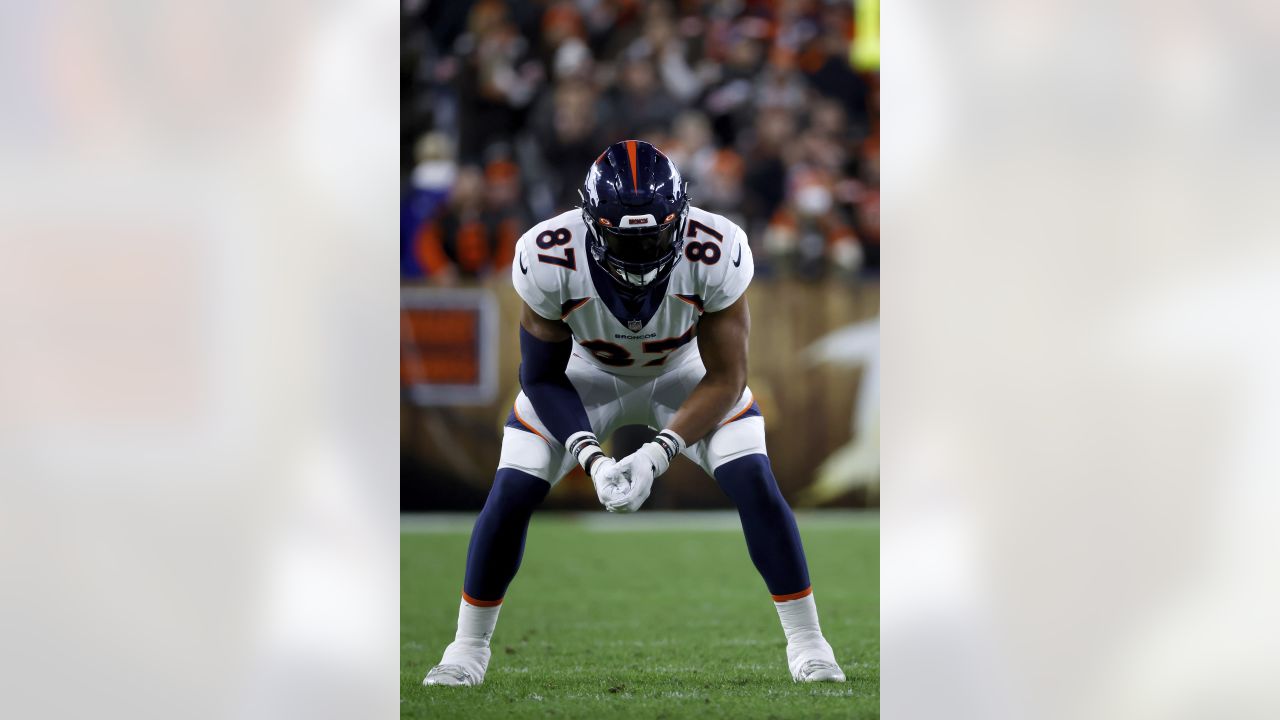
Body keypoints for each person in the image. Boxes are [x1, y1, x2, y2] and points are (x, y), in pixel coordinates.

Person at [423, 140, 845, 686]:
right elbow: (542, 377)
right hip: (585, 375)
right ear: (591, 222)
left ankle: (810, 644)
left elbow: (726, 378)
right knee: (511, 490)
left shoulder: (716, 247)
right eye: (627, 239)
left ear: (683, 218)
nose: (643, 253)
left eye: (656, 236)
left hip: (684, 374)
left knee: (755, 482)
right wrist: (590, 458)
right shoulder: (550, 255)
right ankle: (466, 649)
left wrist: (659, 452)